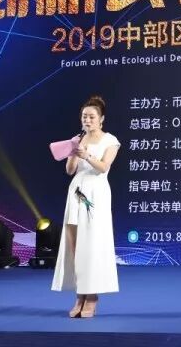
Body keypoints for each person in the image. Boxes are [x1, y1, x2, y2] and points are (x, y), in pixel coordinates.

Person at [51, 95, 121, 318]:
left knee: (92, 245)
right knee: (75, 245)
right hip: (76, 191)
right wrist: (74, 152)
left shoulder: (110, 140)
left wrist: (87, 155)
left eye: (91, 116)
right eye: (84, 117)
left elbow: (103, 167)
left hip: (96, 193)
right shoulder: (77, 139)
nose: (87, 120)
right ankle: (80, 294)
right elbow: (70, 170)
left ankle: (92, 296)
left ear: (101, 119)